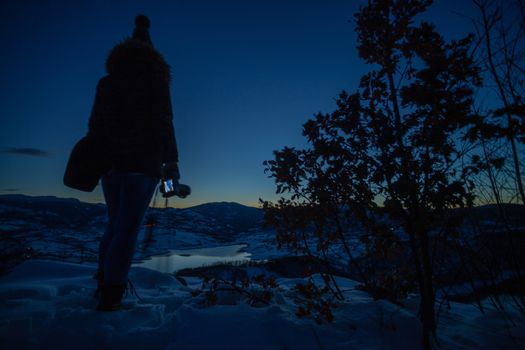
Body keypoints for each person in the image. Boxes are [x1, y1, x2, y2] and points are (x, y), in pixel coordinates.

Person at [88, 14, 180, 311]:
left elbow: (95, 125)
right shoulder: (156, 83)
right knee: (127, 230)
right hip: (143, 164)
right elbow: (165, 122)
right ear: (153, 57)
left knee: (114, 225)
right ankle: (112, 294)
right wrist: (171, 163)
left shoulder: (107, 83)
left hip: (110, 164)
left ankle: (105, 282)